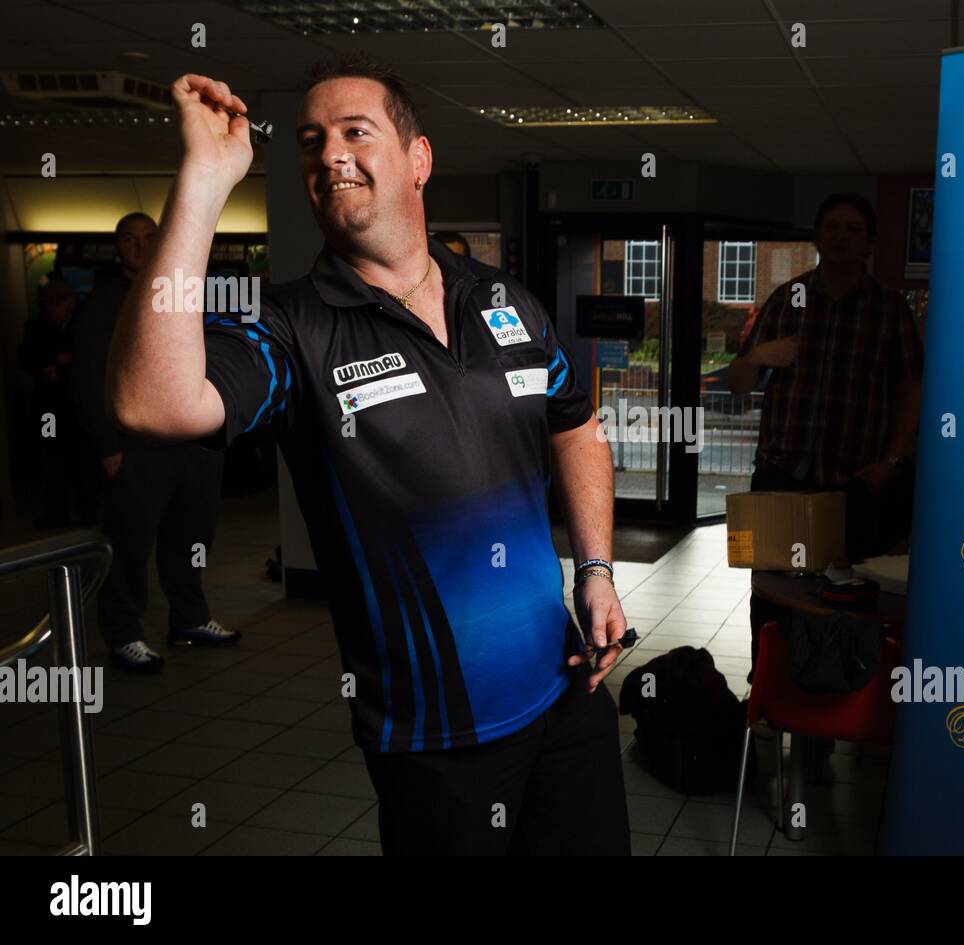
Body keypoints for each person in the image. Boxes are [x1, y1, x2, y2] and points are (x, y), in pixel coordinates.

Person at [106, 56, 631, 855]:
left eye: (357, 131)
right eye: (312, 141)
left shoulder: (506, 301)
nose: (329, 154)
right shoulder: (293, 326)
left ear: (419, 161)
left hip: (569, 690)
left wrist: (596, 569)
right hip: (434, 734)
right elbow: (151, 401)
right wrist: (205, 182)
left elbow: (575, 427)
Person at [729, 192, 924, 675]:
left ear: (869, 243)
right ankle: (769, 699)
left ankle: (843, 708)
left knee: (852, 606)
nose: (840, 236)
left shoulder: (889, 309)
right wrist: (756, 357)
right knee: (769, 602)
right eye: (832, 227)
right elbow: (736, 385)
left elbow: (910, 390)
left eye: (852, 229)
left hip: (858, 485)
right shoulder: (785, 300)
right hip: (781, 481)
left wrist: (895, 461)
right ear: (818, 236)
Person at [72, 212, 237, 674]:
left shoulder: (185, 291)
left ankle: (190, 619)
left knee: (191, 537)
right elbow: (86, 377)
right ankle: (123, 635)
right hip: (136, 446)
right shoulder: (104, 304)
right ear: (118, 248)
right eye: (131, 239)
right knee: (128, 545)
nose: (142, 246)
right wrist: (108, 446)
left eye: (151, 237)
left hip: (194, 441)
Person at [18, 277, 88, 528]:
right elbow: (25, 358)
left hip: (78, 406)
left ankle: (87, 510)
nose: (51, 310)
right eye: (48, 305)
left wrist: (69, 363)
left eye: (56, 304)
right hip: (49, 408)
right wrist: (46, 365)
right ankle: (56, 512)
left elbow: (95, 359)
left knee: (83, 459)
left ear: (69, 303)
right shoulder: (36, 326)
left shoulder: (85, 324)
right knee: (52, 456)